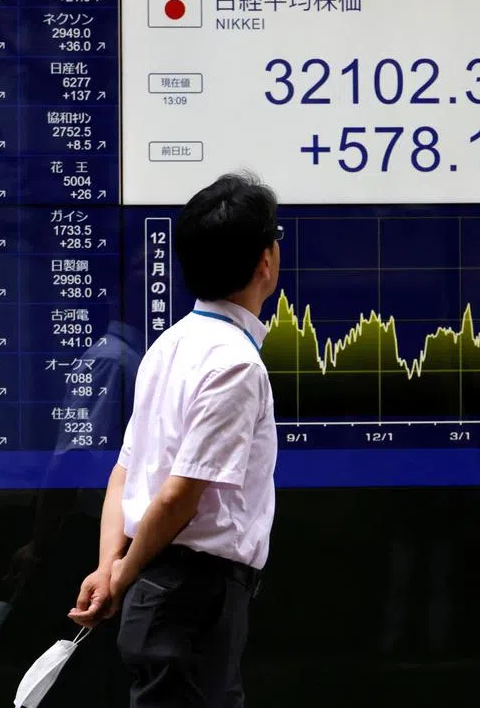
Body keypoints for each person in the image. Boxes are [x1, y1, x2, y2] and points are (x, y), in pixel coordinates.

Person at [69, 171, 283, 707]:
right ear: (265, 261)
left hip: (163, 594)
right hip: (193, 599)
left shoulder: (169, 345)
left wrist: (108, 566)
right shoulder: (234, 364)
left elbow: (125, 469)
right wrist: (120, 575)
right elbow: (179, 496)